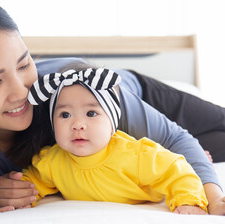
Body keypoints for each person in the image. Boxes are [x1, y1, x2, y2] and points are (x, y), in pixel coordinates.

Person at [0, 0, 225, 214]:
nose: (21, 90)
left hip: (132, 96)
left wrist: (215, 198)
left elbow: (176, 140)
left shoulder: (71, 89)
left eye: (24, 65)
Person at [22, 67, 208, 214]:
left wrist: (189, 200)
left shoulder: (136, 155)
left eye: (91, 113)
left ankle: (204, 153)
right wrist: (21, 196)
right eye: (65, 114)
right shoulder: (51, 161)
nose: (77, 124)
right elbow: (33, 181)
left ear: (112, 125)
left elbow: (177, 171)